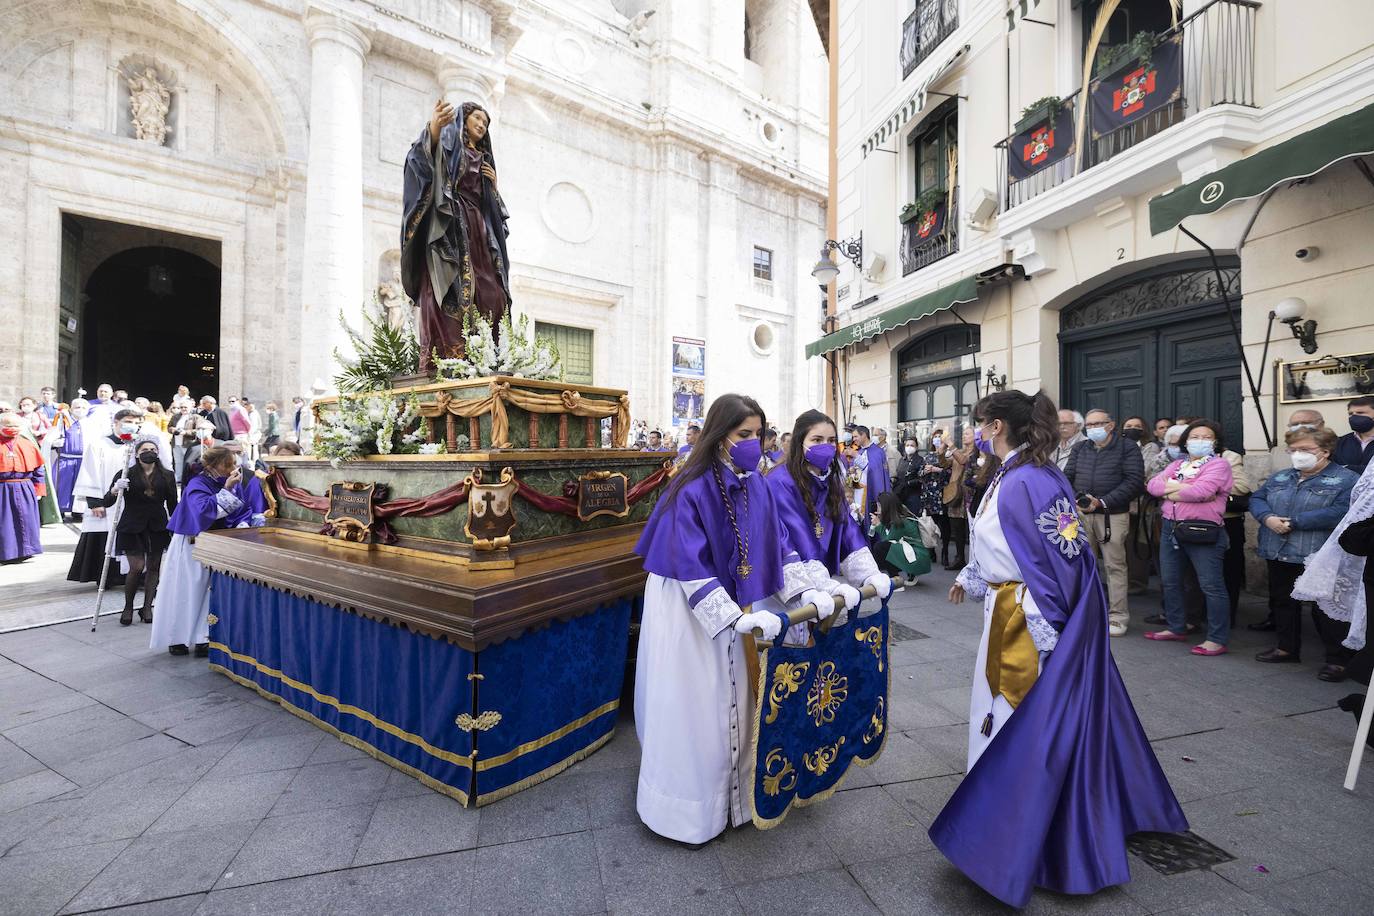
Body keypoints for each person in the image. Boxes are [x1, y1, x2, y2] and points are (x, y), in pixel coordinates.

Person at [935, 390, 1186, 907]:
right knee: (1005, 716)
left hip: (1026, 618)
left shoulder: (1029, 478)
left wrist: (1052, 624)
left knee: (1022, 720)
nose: (976, 431)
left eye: (980, 423)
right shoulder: (1014, 471)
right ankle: (1005, 821)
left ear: (997, 425)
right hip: (1009, 608)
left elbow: (1062, 557)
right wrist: (972, 574)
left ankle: (1021, 834)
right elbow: (1002, 539)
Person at [632, 394, 824, 846]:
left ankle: (736, 801)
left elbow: (777, 544)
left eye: (758, 434)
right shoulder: (689, 486)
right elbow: (688, 562)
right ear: (720, 437)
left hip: (737, 610)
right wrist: (731, 619)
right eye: (744, 435)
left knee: (737, 696)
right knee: (698, 701)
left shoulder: (755, 484)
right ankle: (690, 810)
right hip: (687, 610)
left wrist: (808, 589)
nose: (754, 443)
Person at [402, 99, 512, 372]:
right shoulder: (451, 149)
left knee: (494, 293)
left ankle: (487, 358)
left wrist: (493, 187)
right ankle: (451, 361)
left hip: (481, 232)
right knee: (451, 289)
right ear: (464, 120)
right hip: (451, 225)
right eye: (477, 119)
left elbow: (494, 209)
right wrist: (436, 128)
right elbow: (420, 161)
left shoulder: (485, 160)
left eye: (486, 123)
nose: (482, 125)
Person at [1251, 427, 1358, 679]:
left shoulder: (1346, 479)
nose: (1298, 455)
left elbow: (1342, 511)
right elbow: (1258, 497)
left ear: (1325, 451)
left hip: (1317, 554)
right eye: (1294, 450)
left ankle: (1337, 659)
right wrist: (1267, 518)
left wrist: (1295, 521)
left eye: (1306, 450)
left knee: (1324, 608)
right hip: (1278, 549)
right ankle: (1286, 647)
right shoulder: (1281, 477)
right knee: (1282, 601)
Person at [769, 409, 892, 616]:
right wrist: (824, 586)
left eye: (831, 440)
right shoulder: (780, 481)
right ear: (800, 442)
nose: (825, 446)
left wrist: (869, 573)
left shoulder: (829, 479)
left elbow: (846, 527)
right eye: (817, 439)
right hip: (787, 585)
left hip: (819, 593)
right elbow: (796, 537)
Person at [1142, 419, 1235, 656]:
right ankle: (1176, 626)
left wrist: (1173, 490)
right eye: (1195, 437)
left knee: (1210, 585)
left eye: (1206, 437)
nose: (1200, 441)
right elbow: (1152, 486)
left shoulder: (1219, 465)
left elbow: (1202, 491)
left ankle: (1217, 638)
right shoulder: (1177, 465)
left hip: (1202, 529)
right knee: (1171, 581)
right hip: (1171, 527)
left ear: (1215, 442)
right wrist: (1184, 490)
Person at [151, 447, 244, 657]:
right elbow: (203, 511)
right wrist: (227, 491)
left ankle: (203, 637)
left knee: (209, 591)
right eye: (227, 464)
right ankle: (178, 638)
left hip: (217, 544)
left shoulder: (226, 483)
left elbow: (239, 509)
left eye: (234, 463)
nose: (232, 469)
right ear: (212, 466)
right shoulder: (198, 483)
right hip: (191, 543)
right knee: (186, 590)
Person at [1064, 409, 1144, 636]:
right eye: (1089, 424)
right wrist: (1077, 498)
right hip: (1081, 515)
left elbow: (1134, 481)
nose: (1094, 427)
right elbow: (1067, 476)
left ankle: (1118, 616)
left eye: (1099, 423)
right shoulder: (1080, 448)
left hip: (1113, 515)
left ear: (1111, 425)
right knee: (1082, 564)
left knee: (1114, 565)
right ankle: (1085, 613)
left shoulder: (1127, 447)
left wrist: (1102, 502)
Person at [106, 436, 177, 626]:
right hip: (132, 525)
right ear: (137, 454)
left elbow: (172, 504)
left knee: (154, 568)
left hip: (157, 525)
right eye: (145, 449)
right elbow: (107, 501)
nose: (150, 452)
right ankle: (128, 606)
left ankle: (147, 607)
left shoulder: (167, 475)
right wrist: (115, 489)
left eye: (153, 449)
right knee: (136, 567)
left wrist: (177, 527)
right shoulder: (126, 473)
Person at [68, 408, 144, 585]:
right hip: (106, 501)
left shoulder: (139, 445)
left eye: (135, 422)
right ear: (116, 423)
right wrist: (95, 503)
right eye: (127, 421)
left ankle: (133, 574)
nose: (131, 426)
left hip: (133, 503)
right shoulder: (99, 444)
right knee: (105, 535)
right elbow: (89, 472)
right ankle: (107, 576)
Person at [0, 412, 46, 563]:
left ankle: (27, 551)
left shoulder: (27, 443)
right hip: (2, 488)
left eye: (15, 426)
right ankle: (6, 553)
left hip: (25, 486)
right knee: (4, 523)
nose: (12, 428)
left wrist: (38, 489)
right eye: (8, 426)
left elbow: (39, 468)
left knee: (27, 521)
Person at [868, 490, 930, 585]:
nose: (877, 508)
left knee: (880, 548)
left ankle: (896, 581)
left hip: (917, 558)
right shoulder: (900, 515)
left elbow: (887, 540)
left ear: (886, 507)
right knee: (882, 548)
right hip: (917, 555)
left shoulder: (901, 521)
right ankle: (909, 573)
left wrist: (878, 524)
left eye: (879, 506)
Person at [917, 431, 951, 565]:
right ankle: (931, 552)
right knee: (930, 525)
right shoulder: (928, 456)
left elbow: (951, 475)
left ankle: (945, 552)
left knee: (945, 525)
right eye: (935, 437)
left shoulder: (949, 456)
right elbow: (919, 474)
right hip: (929, 495)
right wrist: (924, 471)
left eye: (940, 437)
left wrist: (938, 470)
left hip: (943, 494)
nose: (937, 440)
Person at [50, 398, 88, 517]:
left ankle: (78, 511)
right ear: (71, 409)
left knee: (80, 486)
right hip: (66, 459)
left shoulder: (90, 423)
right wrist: (54, 442)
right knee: (63, 485)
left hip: (83, 460)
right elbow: (51, 437)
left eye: (83, 408)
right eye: (77, 407)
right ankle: (60, 510)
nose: (80, 410)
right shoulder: (63, 421)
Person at [943, 428, 974, 570]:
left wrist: (950, 443)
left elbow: (963, 461)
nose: (964, 436)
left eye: (967, 433)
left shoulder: (976, 452)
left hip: (968, 493)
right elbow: (944, 463)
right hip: (955, 493)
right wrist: (943, 446)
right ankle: (959, 558)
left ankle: (974, 560)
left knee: (972, 529)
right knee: (957, 527)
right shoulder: (959, 450)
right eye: (963, 433)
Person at [851, 426, 890, 520]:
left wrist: (857, 458)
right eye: (853, 437)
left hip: (871, 492)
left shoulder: (877, 452)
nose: (854, 439)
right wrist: (852, 471)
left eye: (856, 436)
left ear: (864, 435)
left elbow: (874, 472)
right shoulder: (859, 452)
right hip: (858, 492)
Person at [1334, 396, 1374, 475]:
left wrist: (1347, 467)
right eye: (1351, 414)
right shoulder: (1339, 442)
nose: (1354, 417)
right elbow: (1331, 468)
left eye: (1360, 413)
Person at [893, 436, 923, 517]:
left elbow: (921, 479)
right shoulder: (902, 460)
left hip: (913, 495)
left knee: (913, 518)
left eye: (912, 445)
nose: (909, 447)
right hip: (900, 494)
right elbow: (898, 474)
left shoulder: (920, 460)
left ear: (916, 447)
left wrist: (908, 483)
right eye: (907, 445)